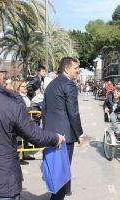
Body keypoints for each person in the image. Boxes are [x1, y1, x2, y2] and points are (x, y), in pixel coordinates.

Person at [0, 55, 64, 200]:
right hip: (4, 182)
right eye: (3, 74)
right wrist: (56, 138)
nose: (5, 78)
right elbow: (35, 135)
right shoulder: (11, 105)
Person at [44, 57, 84, 200]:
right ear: (67, 69)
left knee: (57, 170)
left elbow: (45, 110)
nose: (77, 71)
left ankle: (66, 190)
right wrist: (79, 133)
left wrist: (45, 131)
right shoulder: (69, 85)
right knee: (61, 172)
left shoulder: (51, 85)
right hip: (65, 136)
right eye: (75, 68)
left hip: (50, 134)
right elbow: (73, 112)